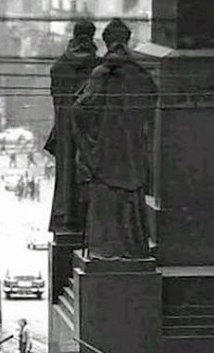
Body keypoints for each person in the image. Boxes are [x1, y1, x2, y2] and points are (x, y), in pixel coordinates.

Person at [70, 18, 157, 260]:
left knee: (107, 199)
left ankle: (106, 249)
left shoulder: (101, 74)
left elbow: (81, 110)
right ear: (127, 42)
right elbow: (153, 103)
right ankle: (133, 247)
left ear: (107, 43)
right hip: (133, 148)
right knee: (132, 196)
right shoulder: (140, 74)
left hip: (106, 151)